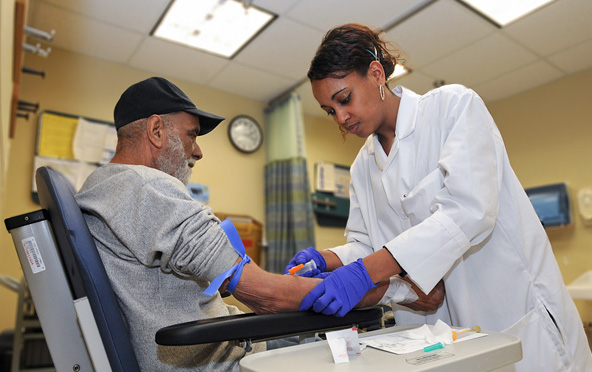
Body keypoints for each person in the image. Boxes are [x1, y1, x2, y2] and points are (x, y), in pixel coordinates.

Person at [75, 77, 443, 371]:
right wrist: (401, 293)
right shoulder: (149, 188)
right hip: (223, 358)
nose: (198, 150)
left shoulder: (100, 187)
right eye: (191, 134)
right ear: (156, 131)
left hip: (207, 345)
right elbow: (266, 297)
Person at [286, 24, 592, 371]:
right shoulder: (362, 167)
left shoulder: (452, 108)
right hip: (435, 333)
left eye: (344, 99)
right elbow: (367, 246)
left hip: (508, 311)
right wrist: (326, 259)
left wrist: (363, 273)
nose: (341, 118)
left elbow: (470, 211)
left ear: (376, 74)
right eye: (330, 111)